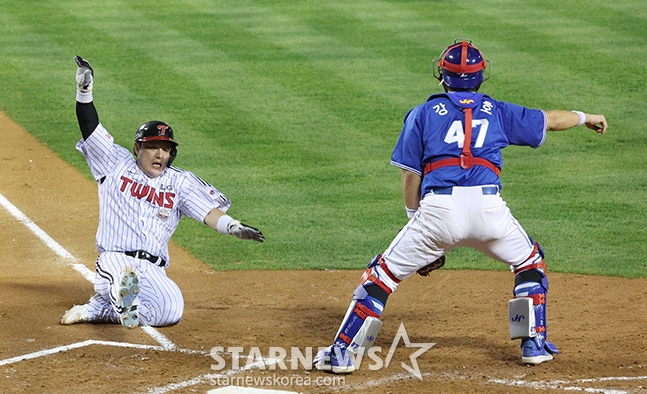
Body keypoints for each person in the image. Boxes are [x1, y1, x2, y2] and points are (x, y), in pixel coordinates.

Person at [314, 40, 608, 372]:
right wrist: (587, 116)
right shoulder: (497, 110)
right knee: (530, 263)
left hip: (439, 213)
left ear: (442, 75)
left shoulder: (423, 113)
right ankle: (533, 343)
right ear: (482, 75)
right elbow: (550, 119)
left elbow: (411, 177)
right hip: (489, 211)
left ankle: (342, 352)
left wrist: (418, 224)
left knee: (381, 276)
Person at [60, 56, 265, 329]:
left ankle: (100, 309)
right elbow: (90, 128)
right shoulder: (115, 162)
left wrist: (233, 226)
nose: (160, 154)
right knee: (124, 280)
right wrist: (84, 91)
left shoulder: (180, 183)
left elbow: (209, 213)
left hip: (153, 269)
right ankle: (120, 296)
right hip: (115, 259)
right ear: (137, 149)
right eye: (153, 147)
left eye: (166, 149)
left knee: (171, 311)